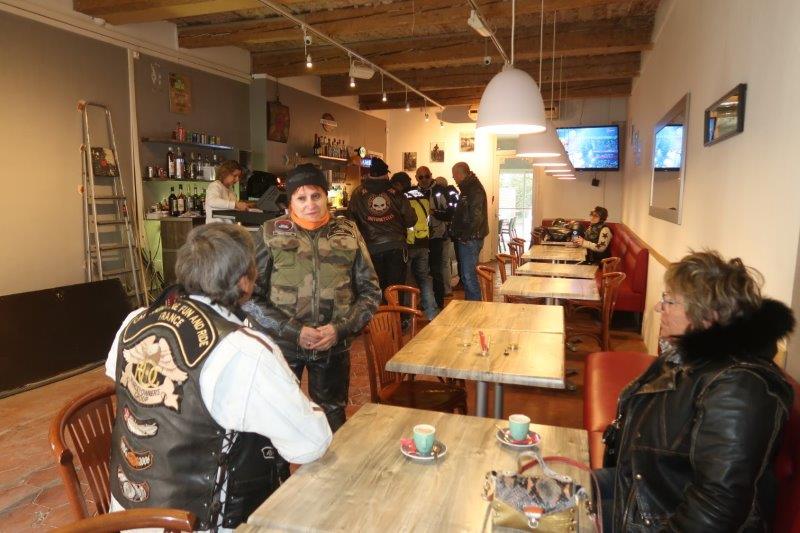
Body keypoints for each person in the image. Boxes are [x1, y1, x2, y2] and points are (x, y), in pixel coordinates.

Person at [105, 223, 332, 531]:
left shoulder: (135, 321)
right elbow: (310, 443)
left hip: (124, 516)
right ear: (244, 281)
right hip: (195, 524)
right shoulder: (242, 350)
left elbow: (120, 378)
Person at [597, 250, 794, 531]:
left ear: (708, 316)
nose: (659, 307)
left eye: (669, 301)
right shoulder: (688, 356)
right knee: (545, 489)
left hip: (659, 520)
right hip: (644, 496)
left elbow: (717, 507)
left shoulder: (739, 388)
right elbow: (649, 471)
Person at [246, 164, 381, 432]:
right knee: (279, 417)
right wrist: (294, 331)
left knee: (332, 415)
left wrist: (340, 329)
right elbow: (249, 296)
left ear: (326, 196)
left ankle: (333, 462)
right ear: (291, 202)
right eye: (301, 197)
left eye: (316, 196)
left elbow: (371, 291)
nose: (310, 204)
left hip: (332, 345)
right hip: (284, 345)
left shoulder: (348, 232)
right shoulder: (270, 232)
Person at [347, 157, 417, 297]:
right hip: (396, 246)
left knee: (374, 289)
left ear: (370, 174)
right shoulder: (396, 192)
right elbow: (411, 220)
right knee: (395, 290)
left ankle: (379, 312)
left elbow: (350, 221)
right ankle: (396, 312)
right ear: (386, 174)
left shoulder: (357, 193)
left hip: (370, 248)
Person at [390, 171, 437, 320]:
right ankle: (431, 313)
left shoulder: (401, 198)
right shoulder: (422, 195)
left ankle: (408, 318)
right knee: (424, 278)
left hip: (409, 244)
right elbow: (428, 219)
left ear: (399, 184)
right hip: (423, 242)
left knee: (407, 282)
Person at [415, 168, 457, 309]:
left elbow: (450, 213)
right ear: (416, 178)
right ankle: (425, 301)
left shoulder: (441, 190)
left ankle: (439, 303)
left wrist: (434, 213)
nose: (424, 179)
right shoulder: (413, 193)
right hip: (419, 238)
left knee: (436, 270)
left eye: (426, 176)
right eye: (421, 177)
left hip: (437, 236)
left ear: (431, 176)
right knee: (421, 271)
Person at [450, 162, 488, 301]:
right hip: (470, 237)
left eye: (454, 176)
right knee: (467, 276)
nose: (454, 178)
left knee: (468, 276)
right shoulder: (469, 188)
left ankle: (475, 308)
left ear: (460, 174)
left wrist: (465, 236)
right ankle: (471, 306)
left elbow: (476, 217)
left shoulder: (473, 189)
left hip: (470, 238)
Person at [205, 159, 251, 224]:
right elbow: (212, 201)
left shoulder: (231, 192)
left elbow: (231, 211)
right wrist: (236, 205)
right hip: (215, 228)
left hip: (227, 228)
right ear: (225, 173)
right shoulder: (215, 185)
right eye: (235, 176)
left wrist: (243, 208)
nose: (237, 179)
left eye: (239, 177)